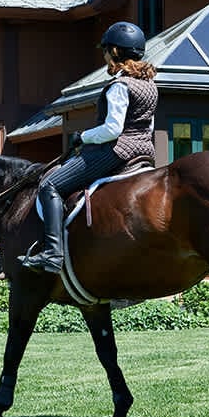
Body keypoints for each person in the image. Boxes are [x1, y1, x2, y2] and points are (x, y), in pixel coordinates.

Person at [19, 21, 158, 274]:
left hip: (116, 150)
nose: (104, 56)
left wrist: (83, 136)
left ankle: (52, 253)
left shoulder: (120, 85)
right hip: (144, 152)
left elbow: (113, 129)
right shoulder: (149, 85)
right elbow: (146, 125)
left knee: (49, 185)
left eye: (106, 50)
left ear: (115, 52)